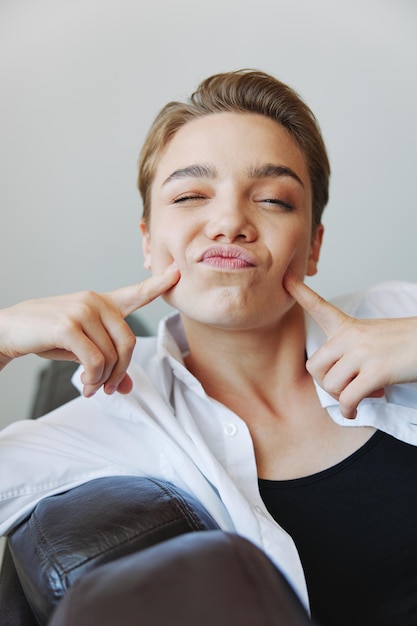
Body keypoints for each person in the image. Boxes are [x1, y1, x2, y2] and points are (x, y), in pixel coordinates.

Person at [1, 69, 417, 626]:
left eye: (272, 199)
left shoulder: (396, 312)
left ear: (313, 246)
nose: (228, 222)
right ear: (149, 242)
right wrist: (3, 335)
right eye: (192, 195)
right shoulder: (118, 410)